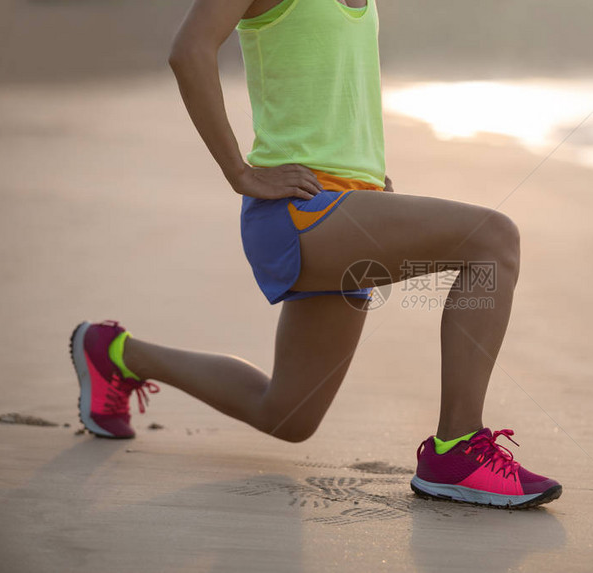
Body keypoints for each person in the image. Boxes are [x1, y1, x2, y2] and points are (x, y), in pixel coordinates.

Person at [69, 0, 561, 508]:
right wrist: (239, 171)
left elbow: (336, 94)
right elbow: (188, 50)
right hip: (299, 213)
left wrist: (368, 179)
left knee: (288, 415)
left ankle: (116, 353)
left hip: (349, 211)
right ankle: (457, 449)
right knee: (492, 239)